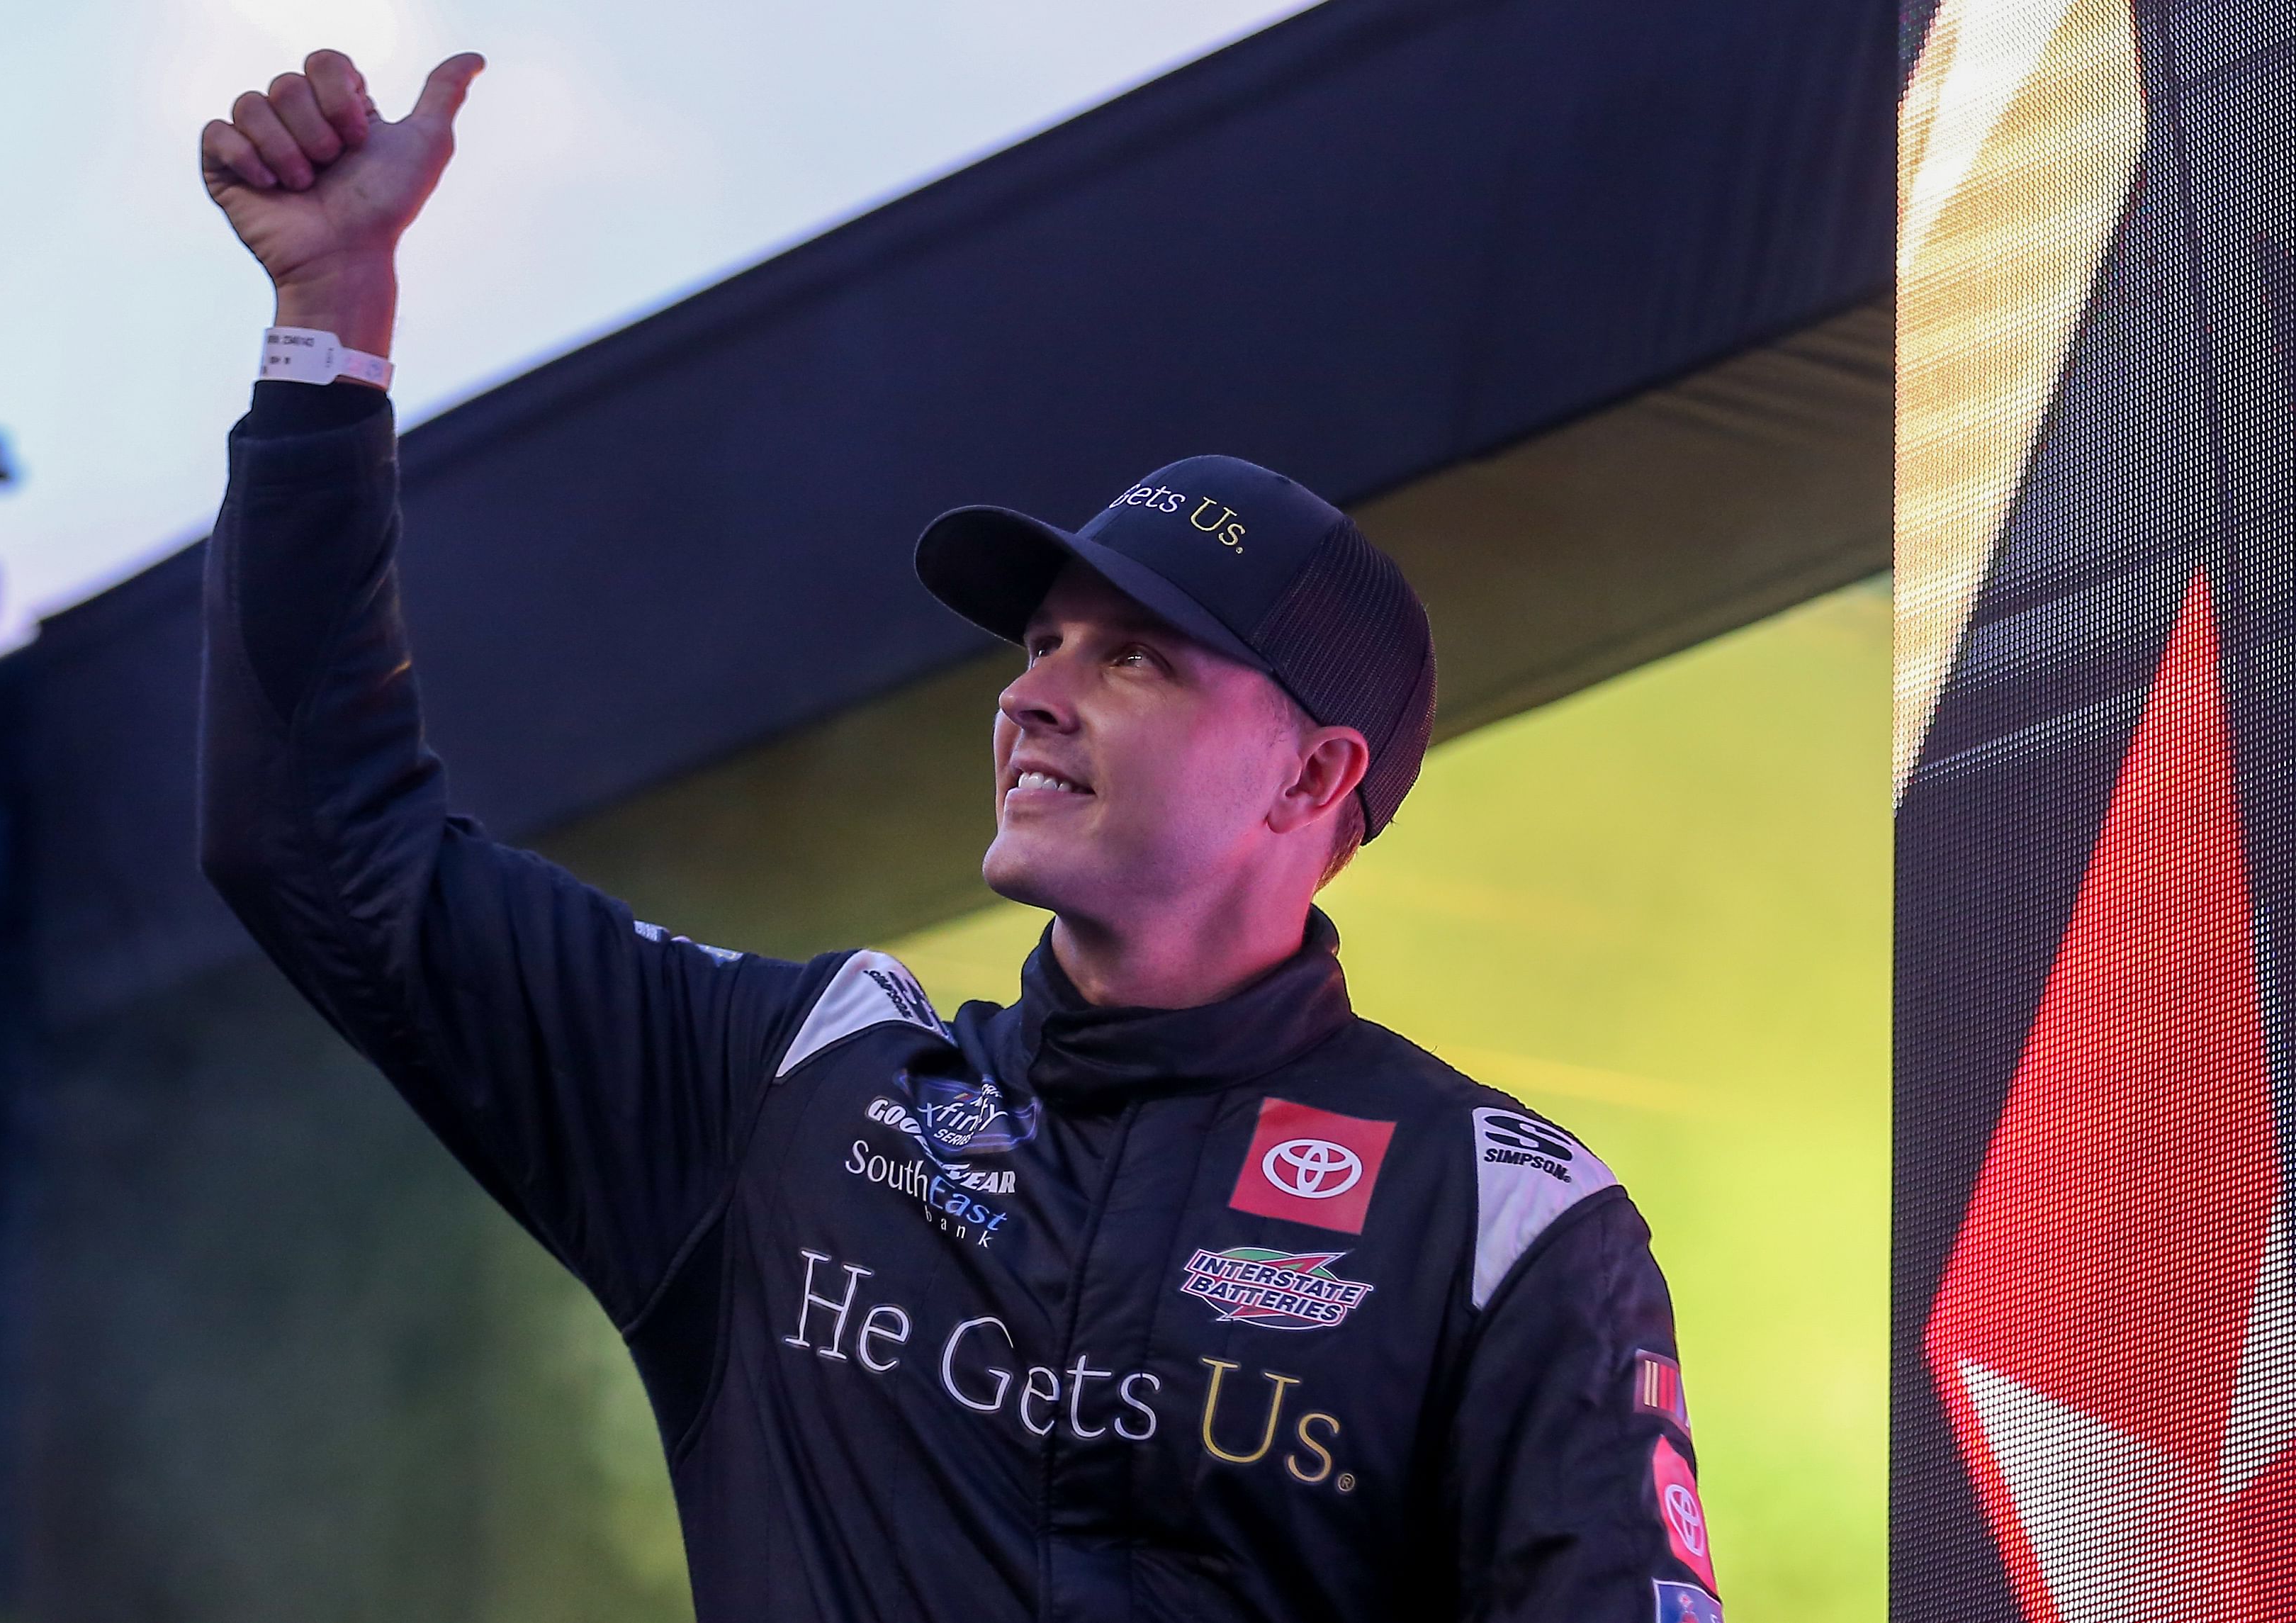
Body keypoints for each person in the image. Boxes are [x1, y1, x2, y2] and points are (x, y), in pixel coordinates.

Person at [196, 50, 1724, 1623]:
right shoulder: (783, 1093)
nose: (1033, 698)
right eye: (1036, 645)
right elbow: (314, 838)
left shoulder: (1499, 1220)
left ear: (1311, 773)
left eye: (1131, 655)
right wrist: (329, 322)